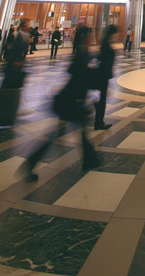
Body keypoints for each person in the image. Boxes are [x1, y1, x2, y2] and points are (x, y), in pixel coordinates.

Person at [24, 26, 99, 180]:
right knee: (70, 133)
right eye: (90, 35)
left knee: (76, 132)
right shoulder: (82, 53)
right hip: (72, 100)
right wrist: (83, 98)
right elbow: (78, 78)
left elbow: (75, 74)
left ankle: (90, 160)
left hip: (70, 98)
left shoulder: (81, 51)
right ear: (85, 36)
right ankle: (90, 160)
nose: (92, 38)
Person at [93, 24, 117, 130]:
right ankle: (98, 121)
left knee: (102, 97)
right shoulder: (106, 42)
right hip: (103, 73)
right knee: (102, 98)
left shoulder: (106, 41)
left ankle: (98, 119)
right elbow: (104, 57)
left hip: (104, 73)